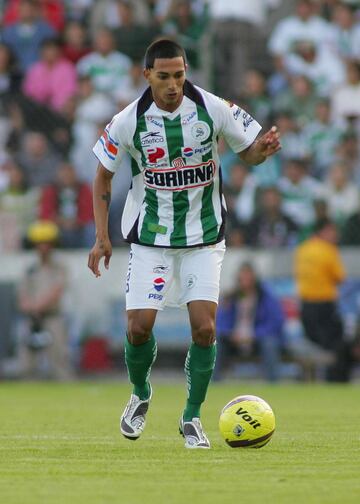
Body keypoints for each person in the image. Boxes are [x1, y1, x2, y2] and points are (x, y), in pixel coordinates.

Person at [87, 39, 280, 449]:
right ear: (147, 76)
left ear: (186, 71)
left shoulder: (213, 107)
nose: (173, 84)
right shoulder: (128, 120)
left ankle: (192, 416)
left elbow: (250, 153)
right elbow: (103, 175)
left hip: (204, 238)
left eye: (179, 75)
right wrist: (102, 236)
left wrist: (262, 152)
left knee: (205, 328)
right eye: (164, 76)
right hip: (151, 239)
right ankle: (140, 393)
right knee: (139, 328)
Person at [294, 217, 352, 381]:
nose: (335, 235)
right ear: (324, 231)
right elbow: (340, 278)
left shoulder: (302, 250)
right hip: (325, 306)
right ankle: (336, 380)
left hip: (306, 306)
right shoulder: (328, 250)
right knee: (336, 344)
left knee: (313, 346)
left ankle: (309, 379)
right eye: (332, 231)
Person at [17, 220, 72, 380]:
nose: (43, 247)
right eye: (39, 243)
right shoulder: (30, 269)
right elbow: (22, 295)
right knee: (27, 362)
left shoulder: (59, 267)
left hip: (53, 317)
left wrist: (38, 306)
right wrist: (29, 307)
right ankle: (27, 393)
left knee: (59, 359)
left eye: (46, 243)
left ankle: (66, 392)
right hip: (32, 319)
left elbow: (57, 291)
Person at [214, 262, 284, 382]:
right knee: (216, 344)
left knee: (269, 344)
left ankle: (273, 383)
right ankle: (213, 382)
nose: (246, 281)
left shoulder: (266, 298)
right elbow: (219, 322)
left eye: (248, 277)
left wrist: (254, 335)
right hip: (233, 340)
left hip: (257, 339)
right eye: (243, 277)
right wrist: (231, 334)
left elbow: (275, 322)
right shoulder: (230, 298)